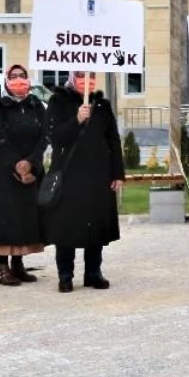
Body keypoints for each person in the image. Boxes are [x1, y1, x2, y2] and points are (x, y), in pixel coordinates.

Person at [42, 72, 125, 293]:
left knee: (95, 224)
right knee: (67, 226)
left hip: (98, 174)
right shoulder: (58, 101)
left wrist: (117, 173)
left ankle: (93, 273)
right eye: (80, 76)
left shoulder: (102, 105)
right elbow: (54, 136)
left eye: (89, 77)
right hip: (69, 174)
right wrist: (77, 119)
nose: (86, 82)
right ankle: (65, 275)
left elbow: (113, 139)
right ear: (72, 78)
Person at [0, 65, 47, 286]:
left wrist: (31, 164)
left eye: (22, 76)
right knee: (3, 218)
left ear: (28, 80)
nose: (18, 80)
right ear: (6, 81)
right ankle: (2, 267)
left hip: (30, 171)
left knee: (23, 217)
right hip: (3, 171)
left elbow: (45, 137)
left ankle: (18, 263)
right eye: (13, 77)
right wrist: (17, 164)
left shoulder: (36, 106)